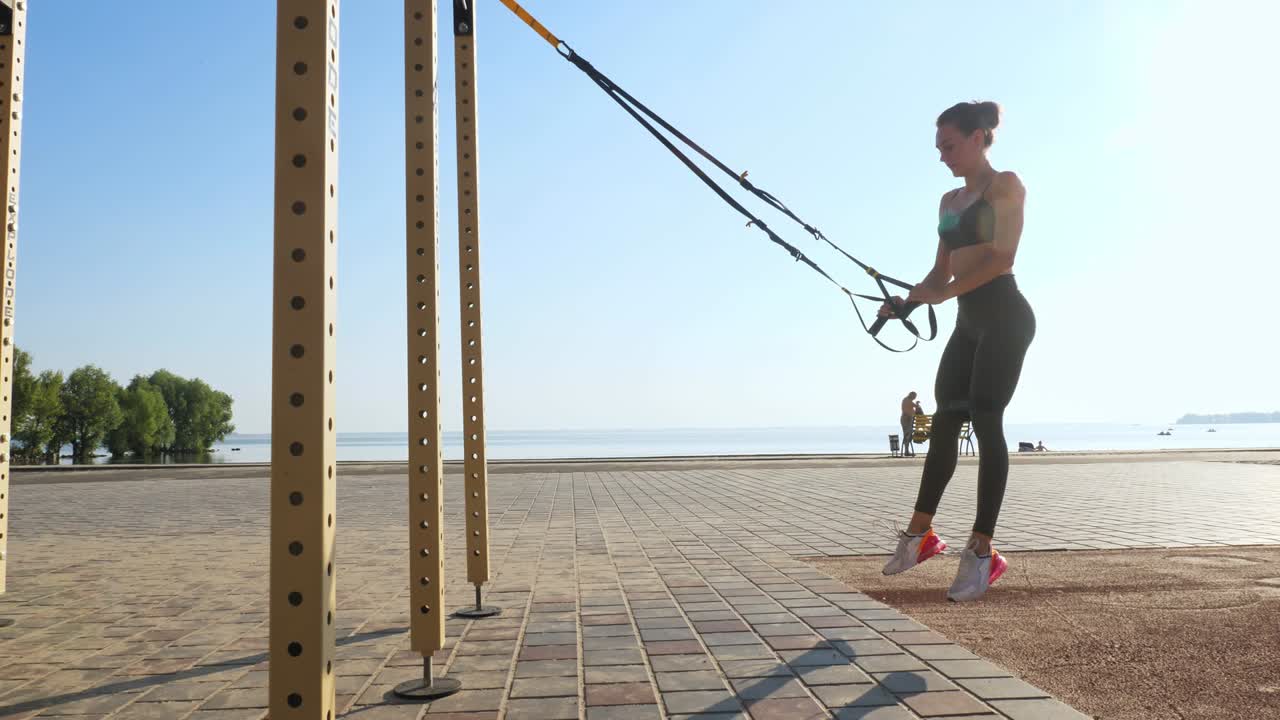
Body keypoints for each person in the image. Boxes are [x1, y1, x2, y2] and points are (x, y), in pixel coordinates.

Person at [879, 100, 1036, 602]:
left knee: (986, 419)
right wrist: (905, 304)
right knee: (946, 418)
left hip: (1005, 317)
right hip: (968, 322)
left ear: (977, 137)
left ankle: (982, 552)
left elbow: (1002, 257)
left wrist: (943, 296)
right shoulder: (948, 201)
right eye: (939, 148)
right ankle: (920, 535)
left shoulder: (1005, 185)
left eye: (949, 146)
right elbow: (938, 273)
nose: (942, 156)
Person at [900, 392, 919, 457]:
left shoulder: (906, 400)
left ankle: (906, 451)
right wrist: (917, 403)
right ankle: (906, 451)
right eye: (914, 396)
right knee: (907, 434)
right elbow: (917, 407)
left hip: (906, 419)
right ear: (912, 396)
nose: (915, 398)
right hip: (907, 419)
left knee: (907, 435)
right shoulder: (908, 401)